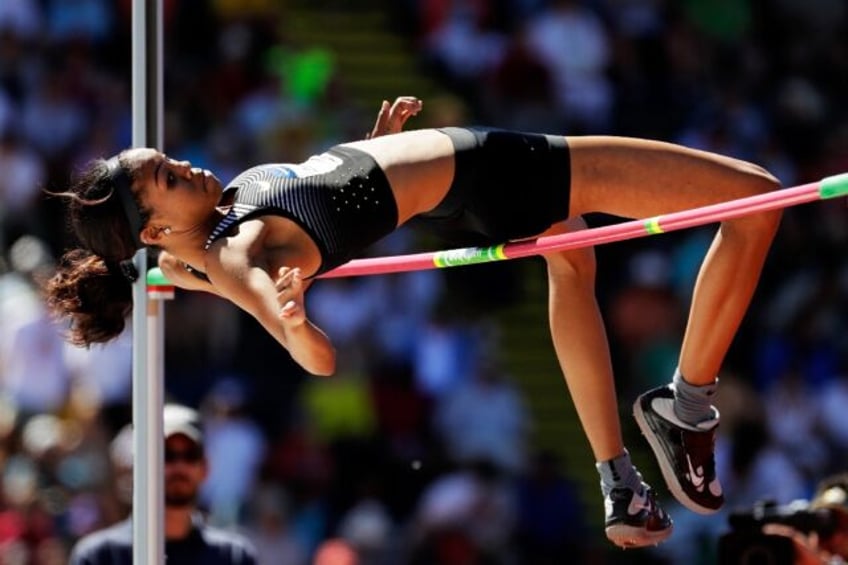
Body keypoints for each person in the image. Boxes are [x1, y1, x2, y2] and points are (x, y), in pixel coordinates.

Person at [45, 96, 783, 547]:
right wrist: (296, 324)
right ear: (151, 228)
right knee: (755, 199)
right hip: (495, 170)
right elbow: (316, 358)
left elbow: (311, 206)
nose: (189, 169)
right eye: (169, 180)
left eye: (170, 159)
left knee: (574, 263)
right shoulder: (236, 252)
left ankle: (619, 478)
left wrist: (378, 145)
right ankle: (685, 404)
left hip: (454, 186)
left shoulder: (214, 227)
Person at [67, 403, 258, 564]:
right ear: (141, 465)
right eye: (167, 455)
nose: (179, 466)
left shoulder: (234, 557)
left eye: (190, 455)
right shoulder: (99, 557)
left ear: (205, 468)